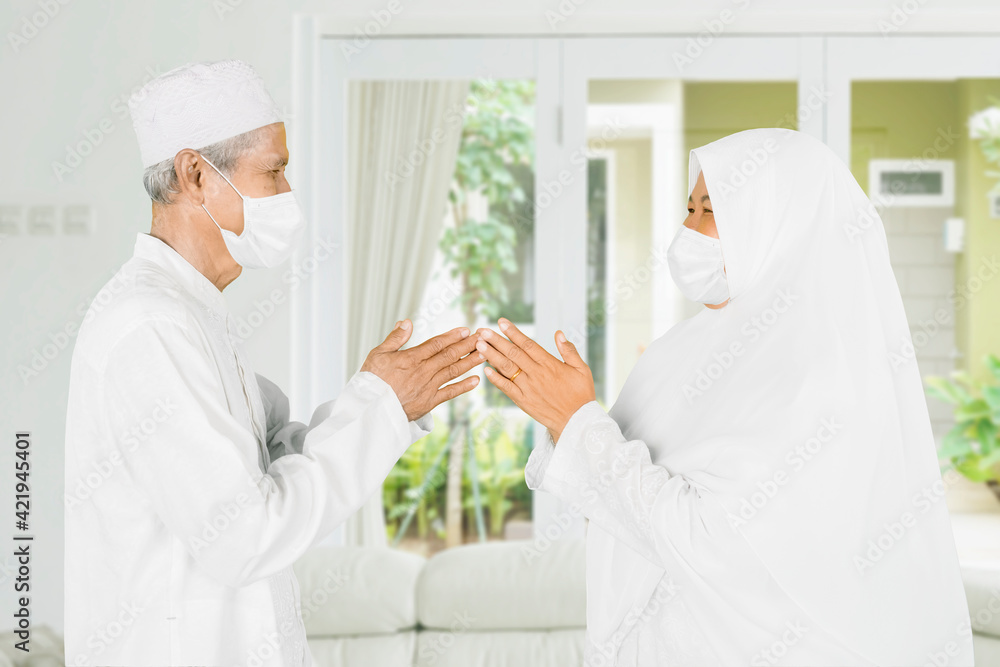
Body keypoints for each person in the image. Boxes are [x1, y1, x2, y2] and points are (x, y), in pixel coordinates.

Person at [476, 127, 975, 666]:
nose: (687, 231)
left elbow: (718, 543)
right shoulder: (677, 354)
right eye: (688, 209)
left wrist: (581, 425)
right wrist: (564, 422)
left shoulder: (821, 375)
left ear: (778, 223)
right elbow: (616, 507)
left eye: (710, 211)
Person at [63, 59, 483, 666]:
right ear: (196, 175)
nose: (287, 195)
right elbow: (243, 535)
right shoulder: (150, 326)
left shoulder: (190, 311)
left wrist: (381, 398)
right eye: (274, 171)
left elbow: (268, 461)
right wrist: (381, 408)